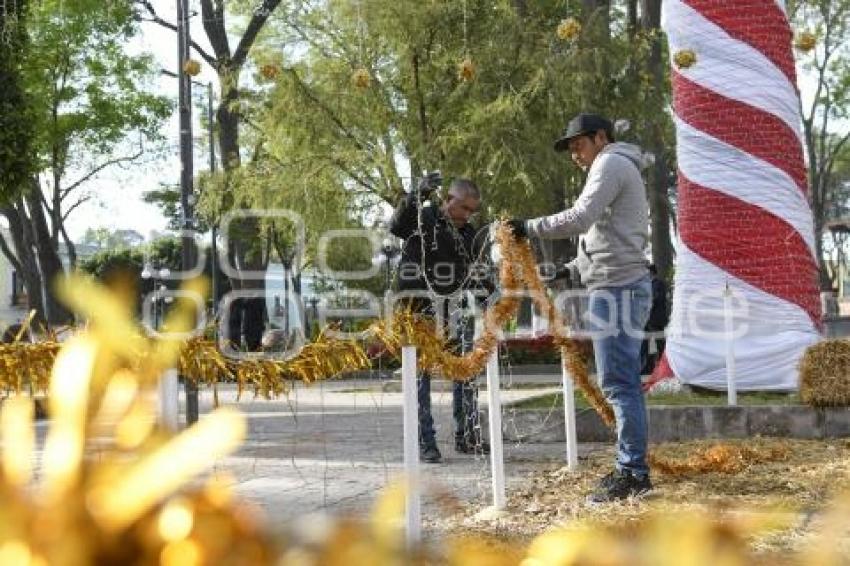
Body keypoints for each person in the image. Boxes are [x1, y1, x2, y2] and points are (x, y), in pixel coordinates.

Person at [508, 112, 653, 502]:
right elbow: (602, 236)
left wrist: (529, 226)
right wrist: (569, 271)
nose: (574, 154)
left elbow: (581, 218)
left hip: (619, 289)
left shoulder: (610, 163)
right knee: (621, 383)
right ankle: (631, 467)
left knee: (620, 384)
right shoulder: (613, 165)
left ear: (600, 137)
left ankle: (633, 473)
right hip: (616, 285)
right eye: (570, 149)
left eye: (579, 145)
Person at [389, 173, 493, 464]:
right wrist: (415, 195)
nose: (467, 215)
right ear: (448, 200)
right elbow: (396, 225)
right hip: (415, 308)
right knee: (420, 377)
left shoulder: (468, 235)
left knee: (464, 369)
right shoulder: (423, 218)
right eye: (464, 208)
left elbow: (477, 274)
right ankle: (426, 442)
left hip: (450, 310)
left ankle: (467, 434)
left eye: (473, 210)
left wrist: (493, 300)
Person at [641, 264, 669, 374]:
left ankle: (664, 368)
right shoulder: (646, 285)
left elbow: (658, 298)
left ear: (651, 272)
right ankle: (647, 367)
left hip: (656, 320)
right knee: (645, 344)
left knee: (660, 344)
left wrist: (646, 302)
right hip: (647, 319)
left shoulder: (659, 284)